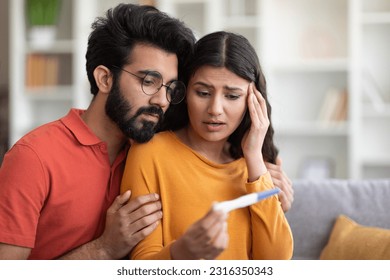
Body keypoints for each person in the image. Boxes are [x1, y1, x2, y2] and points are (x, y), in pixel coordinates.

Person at [0, 4, 195, 259]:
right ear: (104, 79)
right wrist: (103, 248)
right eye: (149, 81)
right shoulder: (33, 158)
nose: (162, 100)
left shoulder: (153, 154)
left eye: (170, 88)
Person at [120, 31, 293, 260]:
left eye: (232, 96)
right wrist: (182, 252)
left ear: (253, 102)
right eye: (202, 92)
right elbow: (141, 263)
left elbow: (275, 262)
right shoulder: (150, 153)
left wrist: (254, 158)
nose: (215, 109)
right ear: (183, 92)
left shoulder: (256, 167)